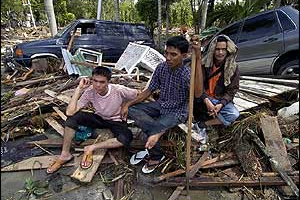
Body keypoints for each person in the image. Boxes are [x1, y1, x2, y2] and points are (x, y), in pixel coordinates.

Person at [121, 36, 202, 174]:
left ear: (184, 55)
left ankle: (157, 155)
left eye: (173, 55)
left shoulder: (187, 73)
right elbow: (149, 90)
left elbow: (198, 94)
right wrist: (128, 104)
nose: (168, 58)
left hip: (178, 111)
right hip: (161, 105)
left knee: (148, 133)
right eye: (166, 53)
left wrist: (199, 59)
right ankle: (156, 131)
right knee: (133, 110)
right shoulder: (161, 67)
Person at [47, 66, 138, 174]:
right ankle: (65, 154)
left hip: (116, 120)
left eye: (102, 82)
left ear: (108, 82)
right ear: (91, 79)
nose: (98, 85)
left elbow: (139, 93)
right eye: (95, 81)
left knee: (126, 138)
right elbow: (70, 112)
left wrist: (127, 105)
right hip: (99, 118)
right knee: (71, 120)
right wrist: (79, 88)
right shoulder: (90, 91)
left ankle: (91, 148)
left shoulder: (118, 90)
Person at [193, 34, 240, 141]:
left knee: (234, 114)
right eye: (217, 49)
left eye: (223, 49)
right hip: (203, 97)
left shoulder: (233, 67)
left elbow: (232, 90)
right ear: (213, 50)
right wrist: (206, 100)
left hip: (218, 100)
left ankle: (203, 124)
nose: (220, 52)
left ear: (227, 50)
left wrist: (220, 104)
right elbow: (198, 85)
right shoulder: (205, 64)